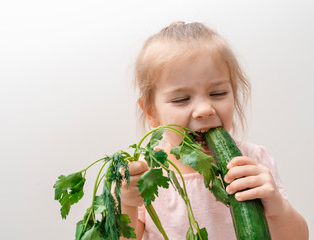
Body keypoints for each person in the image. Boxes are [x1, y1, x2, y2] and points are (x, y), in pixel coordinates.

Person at [120, 22, 309, 240]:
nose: (204, 110)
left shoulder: (255, 160)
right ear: (151, 112)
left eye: (218, 93)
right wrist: (127, 203)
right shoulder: (142, 173)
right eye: (182, 99)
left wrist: (277, 207)